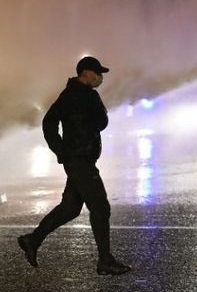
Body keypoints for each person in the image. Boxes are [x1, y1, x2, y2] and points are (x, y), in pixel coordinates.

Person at [18, 56, 131, 276]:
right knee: (100, 207)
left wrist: (62, 151)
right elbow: (101, 123)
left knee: (70, 208)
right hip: (79, 161)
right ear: (87, 73)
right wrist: (62, 151)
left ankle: (32, 240)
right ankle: (105, 261)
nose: (101, 78)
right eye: (98, 73)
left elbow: (50, 122)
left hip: (79, 160)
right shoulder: (83, 95)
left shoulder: (69, 93)